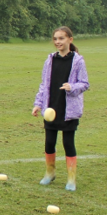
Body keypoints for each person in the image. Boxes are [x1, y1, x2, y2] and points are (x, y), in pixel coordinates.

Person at [32, 26, 89, 191]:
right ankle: (50, 173)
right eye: (55, 39)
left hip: (68, 109)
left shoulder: (78, 61)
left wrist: (72, 87)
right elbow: (44, 85)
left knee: (68, 143)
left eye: (61, 38)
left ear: (70, 40)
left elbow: (85, 84)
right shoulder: (50, 60)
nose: (58, 42)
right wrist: (38, 104)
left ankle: (71, 179)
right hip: (51, 107)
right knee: (49, 143)